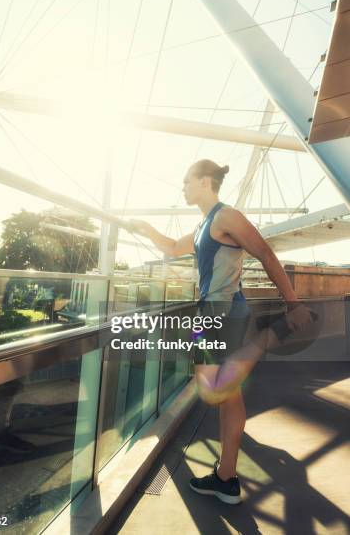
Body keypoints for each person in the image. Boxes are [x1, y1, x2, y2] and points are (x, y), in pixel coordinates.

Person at [130, 159, 313, 505]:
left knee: (223, 390)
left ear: (204, 181)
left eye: (186, 181)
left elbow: (265, 252)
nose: (182, 187)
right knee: (220, 389)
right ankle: (225, 474)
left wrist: (293, 303)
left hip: (222, 314)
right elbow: (171, 249)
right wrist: (144, 229)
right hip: (208, 315)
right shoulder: (204, 225)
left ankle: (227, 477)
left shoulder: (226, 216)